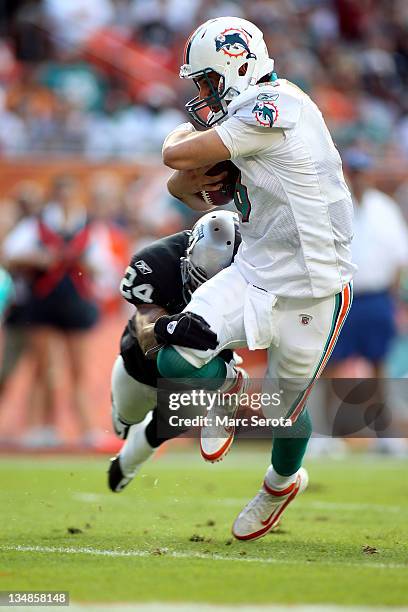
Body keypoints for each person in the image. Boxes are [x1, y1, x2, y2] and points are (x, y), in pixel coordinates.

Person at [159, 16, 355, 541]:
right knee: (174, 354)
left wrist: (190, 147)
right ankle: (226, 385)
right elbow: (182, 184)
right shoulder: (242, 117)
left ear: (236, 65)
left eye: (205, 81)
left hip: (315, 283)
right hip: (254, 270)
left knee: (285, 414)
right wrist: (201, 164)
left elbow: (175, 155)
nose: (202, 93)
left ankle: (280, 483)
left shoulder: (279, 104)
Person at [108, 210, 242, 492]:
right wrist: (173, 328)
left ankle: (126, 465)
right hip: (140, 365)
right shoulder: (156, 261)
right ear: (188, 254)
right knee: (125, 420)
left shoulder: (256, 270)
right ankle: (125, 423)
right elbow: (146, 335)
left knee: (171, 423)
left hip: (198, 370)